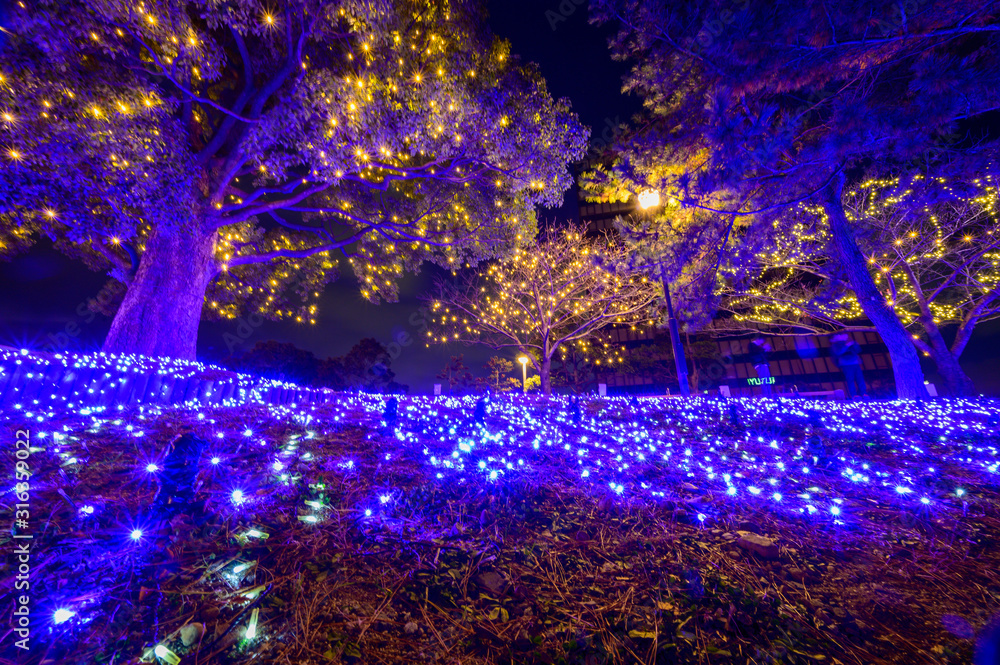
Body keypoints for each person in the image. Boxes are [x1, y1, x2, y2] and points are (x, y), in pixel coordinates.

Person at [831, 333, 867, 398]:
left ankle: (864, 393)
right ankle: (854, 395)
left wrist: (854, 344)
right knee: (850, 379)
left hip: (855, 362)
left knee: (860, 378)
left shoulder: (850, 342)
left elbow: (858, 350)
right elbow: (838, 352)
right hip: (846, 364)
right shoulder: (835, 345)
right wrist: (847, 345)